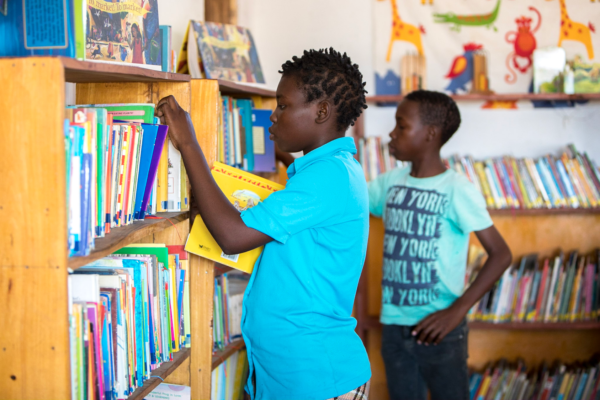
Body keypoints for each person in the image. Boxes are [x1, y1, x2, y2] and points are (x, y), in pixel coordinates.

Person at [155, 48, 372, 400]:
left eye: (283, 106)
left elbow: (232, 235)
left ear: (321, 111)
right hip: (291, 374)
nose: (272, 117)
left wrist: (188, 143)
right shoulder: (329, 169)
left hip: (317, 377)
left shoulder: (329, 177)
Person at [368, 90, 512, 400]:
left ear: (430, 134)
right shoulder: (389, 182)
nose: (391, 133)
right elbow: (346, 200)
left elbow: (501, 254)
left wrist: (456, 312)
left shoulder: (457, 189)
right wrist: (296, 164)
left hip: (441, 330)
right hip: (394, 328)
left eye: (401, 125)